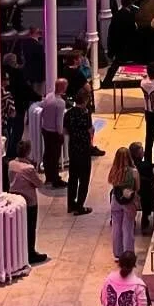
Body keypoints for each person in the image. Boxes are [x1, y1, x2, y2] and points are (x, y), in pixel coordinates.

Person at [8, 138, 50, 264]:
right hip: (29, 202)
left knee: (18, 228)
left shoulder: (11, 164)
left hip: (15, 200)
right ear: (28, 152)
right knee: (30, 229)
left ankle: (19, 251)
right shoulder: (29, 169)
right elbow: (39, 184)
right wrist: (35, 167)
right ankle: (30, 253)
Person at [65, 86, 96, 214]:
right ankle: (80, 206)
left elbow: (65, 131)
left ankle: (71, 204)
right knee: (84, 178)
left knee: (73, 177)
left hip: (73, 148)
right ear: (85, 100)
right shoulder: (85, 113)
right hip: (83, 148)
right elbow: (90, 130)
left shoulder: (69, 113)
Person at [39, 78, 68, 188]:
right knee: (55, 157)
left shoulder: (48, 96)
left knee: (47, 154)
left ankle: (49, 177)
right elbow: (59, 121)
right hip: (54, 133)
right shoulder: (60, 103)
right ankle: (55, 179)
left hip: (45, 129)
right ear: (62, 87)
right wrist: (61, 134)